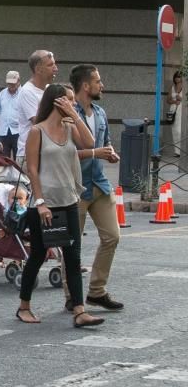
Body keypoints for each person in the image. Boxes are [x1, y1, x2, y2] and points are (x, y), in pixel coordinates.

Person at [15, 83, 103, 328]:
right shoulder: (37, 131)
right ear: (56, 101)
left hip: (69, 200)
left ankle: (79, 311)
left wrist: (74, 115)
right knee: (38, 256)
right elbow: (32, 168)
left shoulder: (70, 126)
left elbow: (89, 142)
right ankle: (24, 306)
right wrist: (41, 202)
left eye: (74, 101)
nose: (73, 104)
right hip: (44, 205)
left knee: (72, 256)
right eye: (69, 100)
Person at [68, 64, 124, 312]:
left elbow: (107, 143)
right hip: (76, 187)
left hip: (100, 184)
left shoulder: (100, 113)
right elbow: (63, 153)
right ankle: (72, 295)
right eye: (98, 81)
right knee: (72, 244)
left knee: (112, 236)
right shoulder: (68, 113)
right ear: (85, 85)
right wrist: (94, 152)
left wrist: (110, 154)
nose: (102, 85)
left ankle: (97, 292)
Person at [17, 49, 58, 162]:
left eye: (54, 64)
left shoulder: (49, 89)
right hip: (30, 156)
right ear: (38, 69)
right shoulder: (27, 91)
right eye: (50, 65)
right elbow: (38, 122)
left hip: (45, 153)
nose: (56, 68)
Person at [0, 70, 22, 160]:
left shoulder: (24, 94)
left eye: (13, 84)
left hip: (18, 131)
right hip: (3, 131)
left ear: (19, 81)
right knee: (2, 159)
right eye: (9, 84)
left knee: (19, 160)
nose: (11, 86)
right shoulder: (2, 93)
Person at [169, 71, 184, 157]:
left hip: (182, 110)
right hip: (173, 110)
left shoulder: (185, 86)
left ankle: (183, 150)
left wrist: (181, 98)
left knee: (180, 131)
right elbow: (168, 100)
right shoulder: (172, 87)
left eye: (179, 76)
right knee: (175, 131)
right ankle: (177, 151)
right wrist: (175, 101)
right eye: (176, 76)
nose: (177, 78)